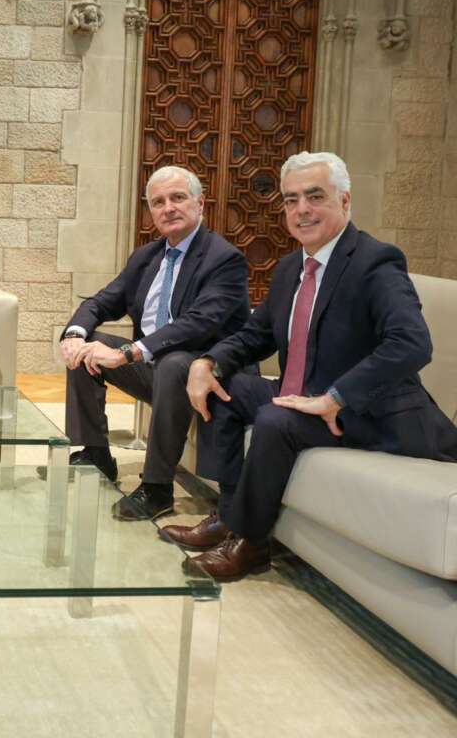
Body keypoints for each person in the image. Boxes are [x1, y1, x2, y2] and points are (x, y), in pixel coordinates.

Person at [175, 151, 457, 581]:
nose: (301, 210)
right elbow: (257, 335)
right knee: (226, 388)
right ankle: (229, 517)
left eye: (314, 196)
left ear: (344, 202)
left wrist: (336, 397)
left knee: (274, 419)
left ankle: (251, 544)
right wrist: (209, 361)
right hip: (305, 394)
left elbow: (412, 343)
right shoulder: (291, 267)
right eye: (291, 200)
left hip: (366, 409)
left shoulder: (376, 261)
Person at [59, 166, 250, 520]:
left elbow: (198, 323)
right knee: (89, 345)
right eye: (158, 202)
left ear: (200, 203)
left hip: (207, 374)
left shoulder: (224, 259)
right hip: (154, 368)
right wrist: (75, 335)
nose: (168, 208)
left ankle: (157, 487)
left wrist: (127, 352)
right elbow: (101, 302)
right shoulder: (147, 257)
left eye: (178, 198)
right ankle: (97, 453)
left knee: (177, 361)